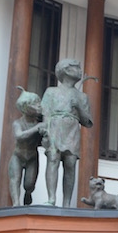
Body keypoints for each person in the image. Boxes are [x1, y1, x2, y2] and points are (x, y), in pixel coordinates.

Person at [41, 58, 93, 207]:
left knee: (70, 163)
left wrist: (79, 107)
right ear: (65, 70)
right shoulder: (51, 91)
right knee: (53, 159)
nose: (80, 71)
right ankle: (51, 198)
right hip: (55, 127)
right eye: (76, 68)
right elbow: (46, 112)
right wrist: (45, 128)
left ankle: (67, 202)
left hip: (72, 129)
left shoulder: (82, 97)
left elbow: (87, 121)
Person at [8, 88, 46, 206]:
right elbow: (19, 136)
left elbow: (43, 142)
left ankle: (28, 193)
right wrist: (36, 128)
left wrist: (44, 134)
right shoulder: (18, 123)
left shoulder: (39, 123)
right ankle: (16, 203)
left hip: (32, 157)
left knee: (29, 184)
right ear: (25, 108)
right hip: (18, 156)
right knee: (15, 180)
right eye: (35, 104)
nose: (39, 106)